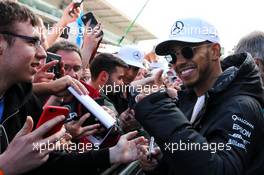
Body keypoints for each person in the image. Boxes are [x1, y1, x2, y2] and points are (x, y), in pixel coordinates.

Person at [0, 1, 146, 175]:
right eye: (32, 42)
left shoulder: (23, 100)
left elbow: (49, 162)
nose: (42, 53)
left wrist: (112, 154)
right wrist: (4, 168)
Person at [135, 18, 264, 174]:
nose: (179, 62)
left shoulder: (241, 105)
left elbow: (220, 169)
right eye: (172, 57)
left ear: (215, 51)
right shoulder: (190, 100)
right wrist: (162, 161)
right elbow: (196, 152)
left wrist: (158, 109)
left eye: (188, 51)